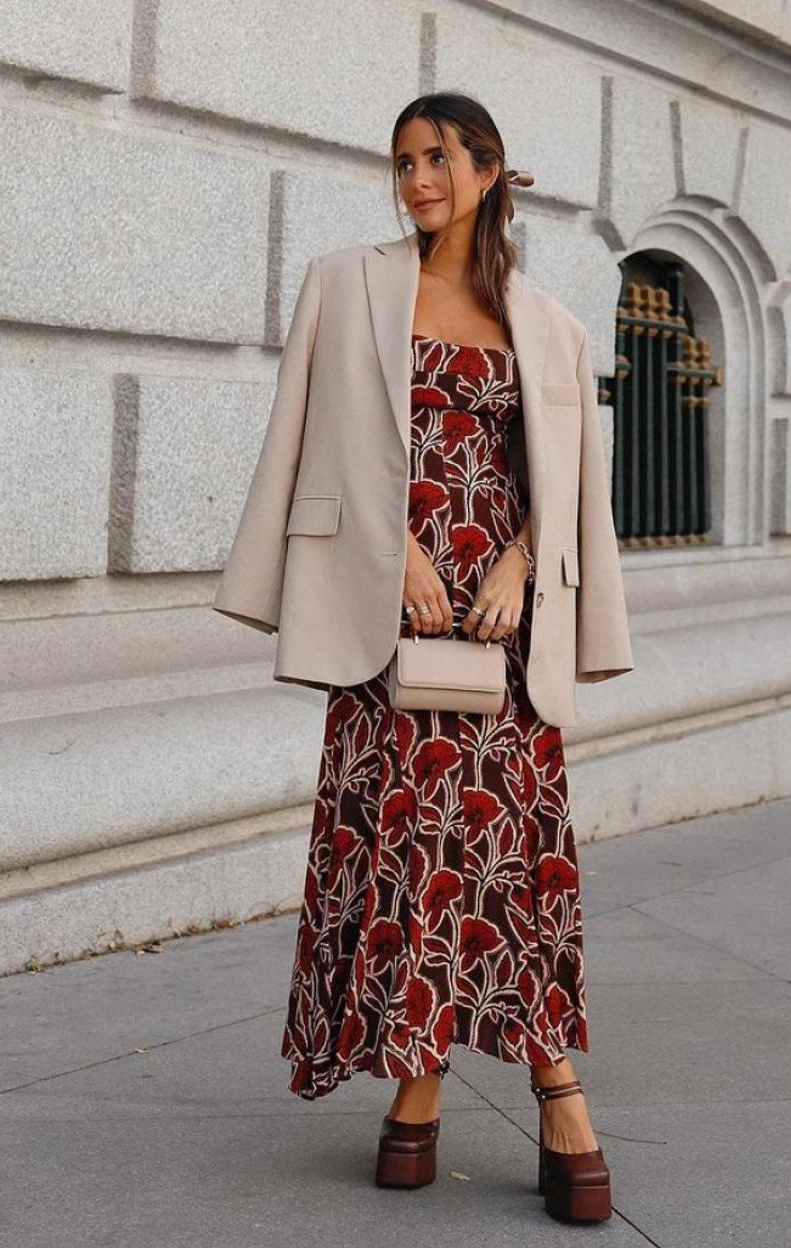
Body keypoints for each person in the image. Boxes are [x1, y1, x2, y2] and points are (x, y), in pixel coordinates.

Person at [214, 92, 633, 1224]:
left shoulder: (547, 321)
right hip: (383, 615)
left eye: (437, 159)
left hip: (501, 631)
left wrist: (518, 565)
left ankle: (557, 1092)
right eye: (402, 163)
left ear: (490, 169)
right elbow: (315, 433)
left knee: (515, 863)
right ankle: (416, 1083)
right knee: (405, 854)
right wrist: (393, 548)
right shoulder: (348, 286)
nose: (416, 181)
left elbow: (572, 475)